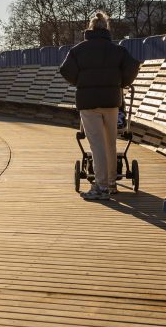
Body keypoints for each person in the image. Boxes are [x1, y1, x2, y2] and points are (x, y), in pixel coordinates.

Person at [59, 11, 139, 200]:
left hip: (89, 103)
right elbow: (133, 66)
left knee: (97, 145)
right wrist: (121, 83)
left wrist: (80, 82)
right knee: (110, 142)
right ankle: (111, 183)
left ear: (90, 28)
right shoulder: (117, 50)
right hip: (112, 101)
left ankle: (101, 187)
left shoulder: (78, 50)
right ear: (106, 29)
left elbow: (65, 69)